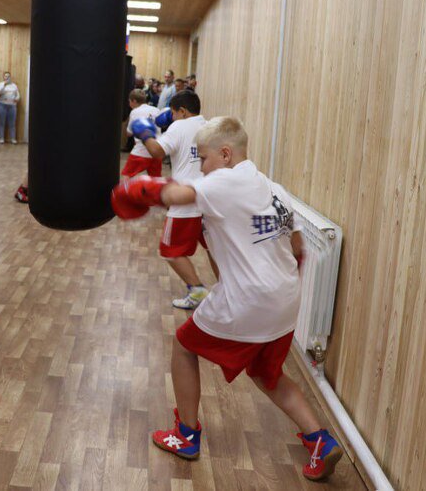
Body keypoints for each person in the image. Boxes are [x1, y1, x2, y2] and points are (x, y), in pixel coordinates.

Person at [111, 116, 343, 481]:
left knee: (184, 347)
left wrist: (137, 189)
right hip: (285, 300)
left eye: (203, 158)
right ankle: (320, 441)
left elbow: (174, 194)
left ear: (225, 154)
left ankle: (186, 435)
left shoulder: (224, 181)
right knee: (267, 374)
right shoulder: (274, 188)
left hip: (250, 299)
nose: (201, 167)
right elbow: (298, 247)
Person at [131, 91, 208, 309]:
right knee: (213, 249)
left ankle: (197, 291)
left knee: (170, 251)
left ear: (182, 111)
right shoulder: (208, 125)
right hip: (209, 200)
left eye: (173, 113)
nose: (171, 118)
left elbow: (156, 151)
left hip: (184, 202)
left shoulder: (179, 126)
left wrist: (145, 133)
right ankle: (226, 292)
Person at [122, 90, 162, 180]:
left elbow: (129, 133)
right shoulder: (156, 110)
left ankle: (125, 190)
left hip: (141, 151)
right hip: (156, 151)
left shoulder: (135, 112)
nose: (129, 104)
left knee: (127, 175)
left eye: (129, 101)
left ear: (134, 101)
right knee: (156, 179)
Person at [0, 71, 20, 143]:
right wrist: (4, 85)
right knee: (1, 122)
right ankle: (1, 138)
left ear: (10, 77)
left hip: (12, 106)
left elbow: (17, 94)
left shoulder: (14, 85)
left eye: (8, 76)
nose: (7, 77)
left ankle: (13, 138)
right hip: (2, 105)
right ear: (3, 77)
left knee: (12, 123)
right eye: (5, 76)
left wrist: (17, 98)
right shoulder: (0, 84)